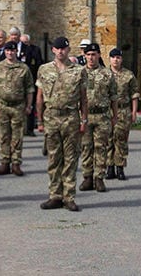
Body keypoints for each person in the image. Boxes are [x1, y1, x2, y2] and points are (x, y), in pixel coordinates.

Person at [36, 36, 88, 212]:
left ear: (68, 50)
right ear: (53, 50)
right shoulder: (44, 70)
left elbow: (83, 98)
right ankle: (55, 196)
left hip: (71, 117)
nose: (60, 51)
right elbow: (39, 96)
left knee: (71, 158)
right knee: (53, 158)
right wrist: (39, 120)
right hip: (51, 117)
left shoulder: (79, 71)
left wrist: (84, 119)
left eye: (64, 49)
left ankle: (69, 197)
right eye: (57, 49)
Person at [0, 40, 34, 177]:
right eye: (8, 50)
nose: (10, 53)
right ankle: (4, 162)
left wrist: (29, 105)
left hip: (18, 106)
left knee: (17, 136)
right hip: (2, 105)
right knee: (3, 135)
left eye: (12, 51)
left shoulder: (23, 68)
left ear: (16, 52)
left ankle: (16, 163)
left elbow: (29, 89)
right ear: (5, 52)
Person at [79, 44, 117, 192]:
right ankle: (87, 177)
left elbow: (114, 96)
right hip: (86, 115)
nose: (91, 57)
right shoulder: (80, 73)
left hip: (102, 115)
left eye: (94, 54)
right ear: (84, 56)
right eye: (88, 54)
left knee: (101, 147)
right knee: (86, 147)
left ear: (99, 55)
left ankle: (99, 177)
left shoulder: (107, 74)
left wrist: (115, 116)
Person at [105, 48, 138, 181]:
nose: (116, 60)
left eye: (118, 57)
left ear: (121, 59)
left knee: (121, 140)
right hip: (108, 111)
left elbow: (134, 94)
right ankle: (109, 168)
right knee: (108, 140)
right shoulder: (104, 74)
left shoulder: (128, 75)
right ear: (110, 59)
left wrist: (134, 112)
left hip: (123, 110)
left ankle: (120, 167)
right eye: (113, 57)